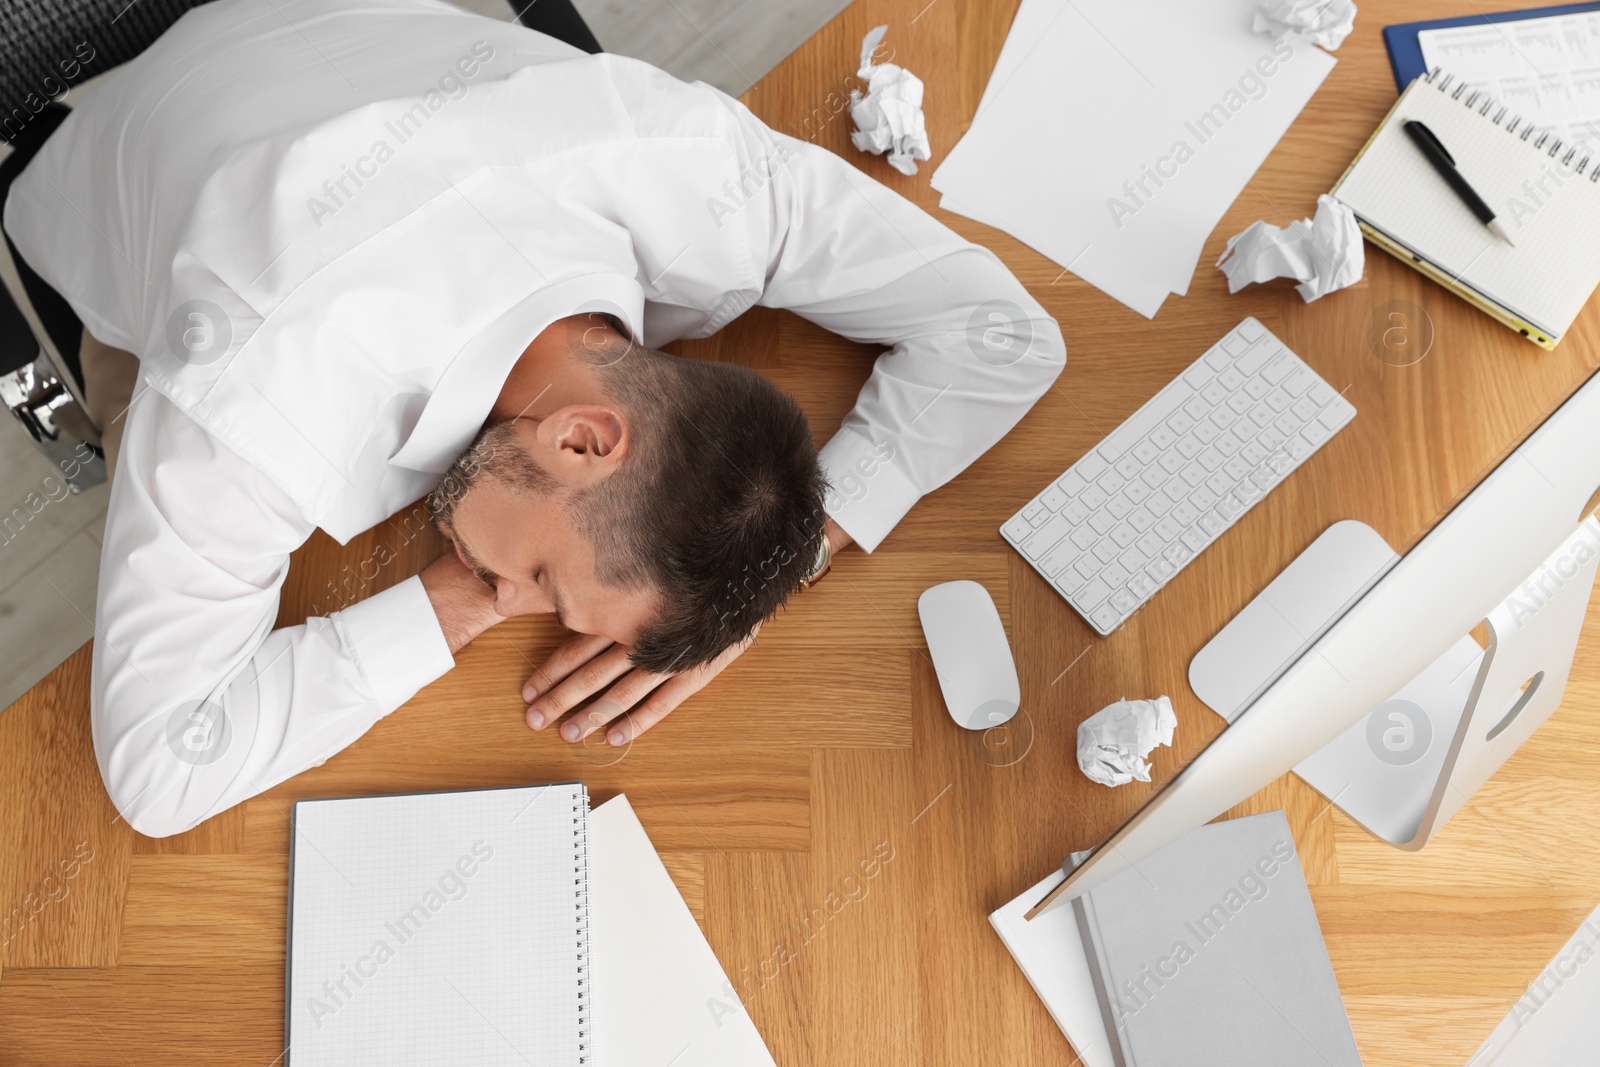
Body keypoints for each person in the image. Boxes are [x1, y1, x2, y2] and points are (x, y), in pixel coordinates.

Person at [2, 0, 1064, 838]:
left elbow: (1007, 335)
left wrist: (774, 571)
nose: (522, 602)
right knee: (131, 441)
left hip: (348, 39)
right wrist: (450, 604)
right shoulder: (248, 404)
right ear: (583, 438)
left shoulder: (702, 171)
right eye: (549, 584)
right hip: (110, 146)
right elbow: (156, 764)